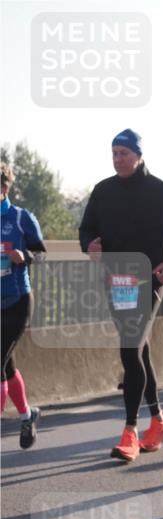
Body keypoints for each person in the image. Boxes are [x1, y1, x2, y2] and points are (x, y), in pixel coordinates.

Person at [79, 129, 163, 462]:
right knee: (138, 352)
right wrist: (90, 245)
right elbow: (86, 229)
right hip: (116, 282)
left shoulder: (162, 190)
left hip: (149, 282)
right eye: (114, 153)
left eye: (124, 154)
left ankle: (130, 431)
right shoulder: (103, 191)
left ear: (139, 155)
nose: (118, 159)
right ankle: (158, 420)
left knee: (130, 349)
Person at [1, 162, 45, 448]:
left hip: (17, 301)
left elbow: (41, 255)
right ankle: (28, 415)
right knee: (6, 366)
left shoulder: (20, 218)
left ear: (4, 187)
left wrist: (23, 256)